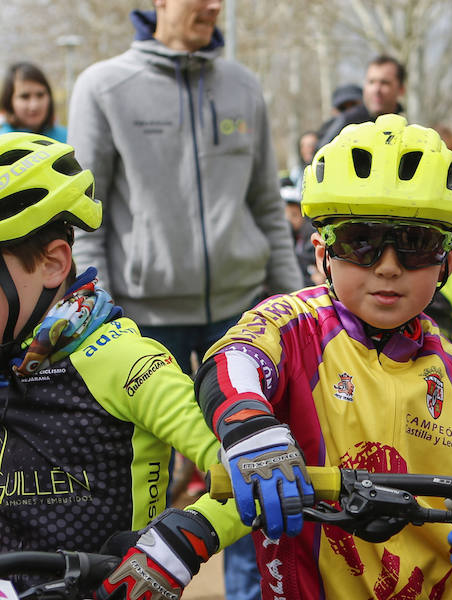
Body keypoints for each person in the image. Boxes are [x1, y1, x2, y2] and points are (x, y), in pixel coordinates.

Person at [0, 133, 249, 594]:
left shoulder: (123, 359)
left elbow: (247, 476)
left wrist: (175, 545)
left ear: (53, 263)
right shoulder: (6, 356)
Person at [194, 115, 452, 599]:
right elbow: (235, 358)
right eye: (359, 241)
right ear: (322, 254)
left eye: (416, 244)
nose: (388, 266)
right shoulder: (294, 323)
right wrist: (248, 425)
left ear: (449, 263)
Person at [67, 0, 303, 379]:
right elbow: (86, 218)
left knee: (246, 439)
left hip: (241, 315)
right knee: (150, 442)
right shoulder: (103, 87)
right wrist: (103, 324)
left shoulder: (244, 87)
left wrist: (295, 310)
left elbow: (267, 208)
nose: (215, 6)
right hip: (142, 324)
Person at [316, 54, 406, 149]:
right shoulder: (347, 123)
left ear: (401, 89)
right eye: (371, 82)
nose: (376, 89)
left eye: (384, 83)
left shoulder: (407, 128)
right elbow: (320, 159)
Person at [0, 62, 67, 142]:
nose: (34, 105)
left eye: (40, 95)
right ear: (9, 101)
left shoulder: (69, 139)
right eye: (25, 96)